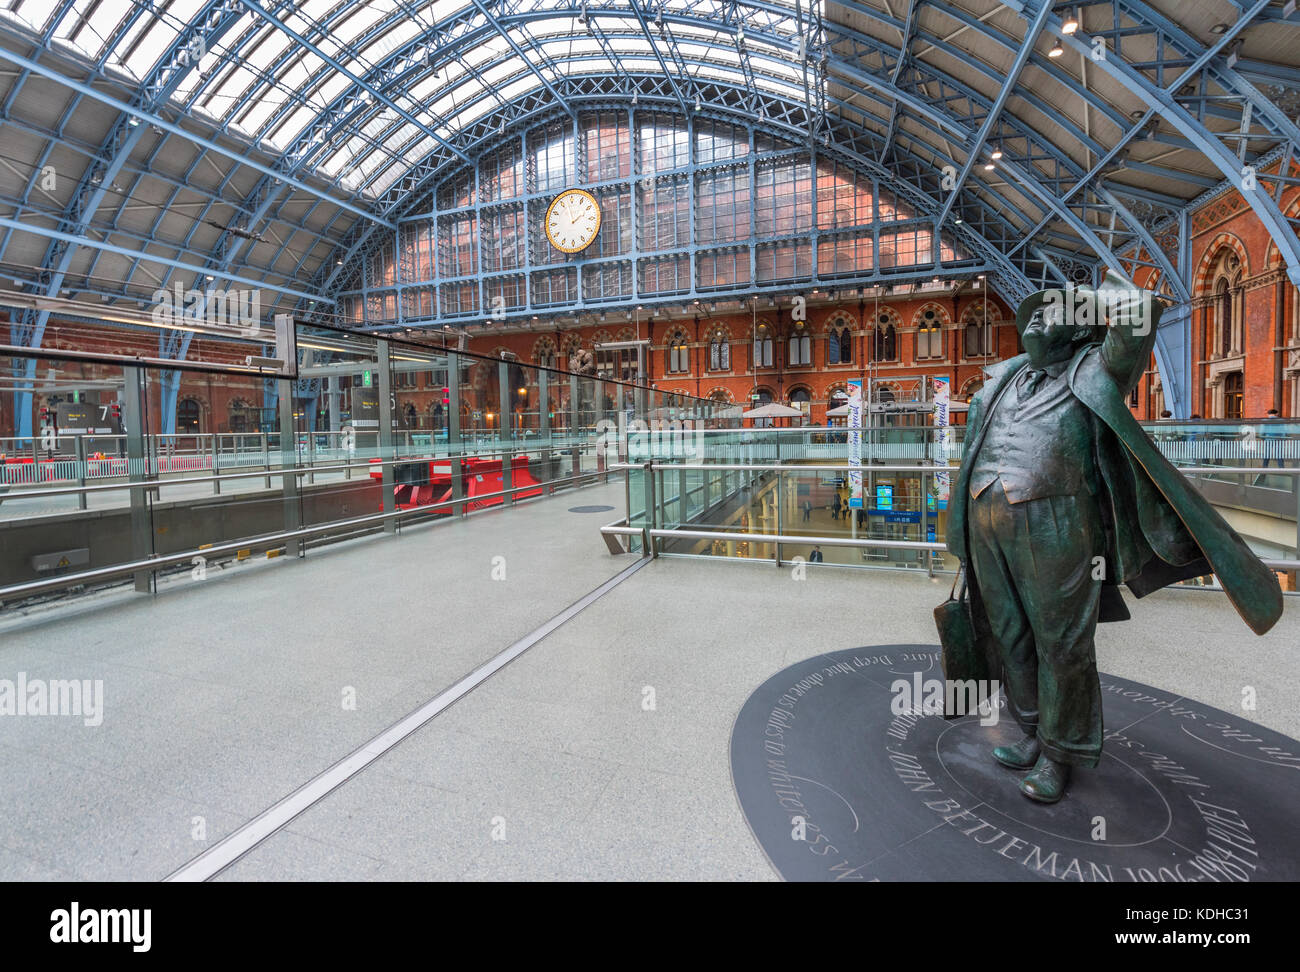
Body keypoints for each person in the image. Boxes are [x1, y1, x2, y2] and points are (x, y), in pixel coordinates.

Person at [947, 273, 1281, 804]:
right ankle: (1031, 730)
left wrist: (1088, 298)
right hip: (986, 522)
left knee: (1062, 644)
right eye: (1031, 310)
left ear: (1081, 326)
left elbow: (1139, 314)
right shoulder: (1002, 379)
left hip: (1057, 521)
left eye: (1051, 309)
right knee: (1009, 635)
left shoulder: (1098, 367)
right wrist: (961, 532)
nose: (1036, 316)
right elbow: (969, 455)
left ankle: (1062, 753)